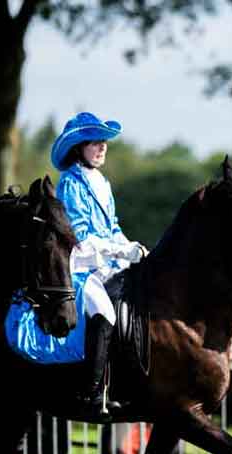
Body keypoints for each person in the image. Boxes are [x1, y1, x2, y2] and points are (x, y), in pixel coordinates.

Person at [51, 112, 149, 417]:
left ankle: (127, 384)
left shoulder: (102, 182)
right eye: (95, 142)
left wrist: (131, 246)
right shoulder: (69, 182)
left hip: (107, 261)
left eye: (104, 142)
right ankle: (90, 394)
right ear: (79, 148)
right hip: (81, 264)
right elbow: (80, 234)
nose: (102, 147)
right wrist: (121, 252)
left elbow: (113, 227)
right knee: (105, 313)